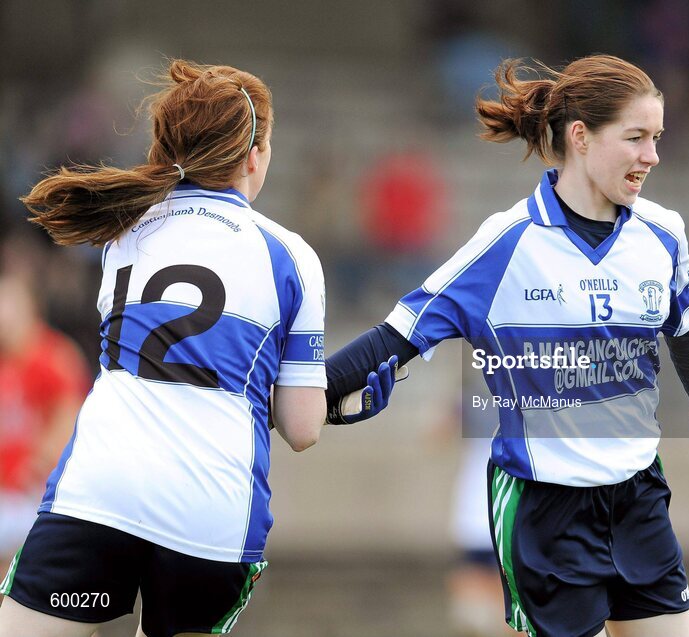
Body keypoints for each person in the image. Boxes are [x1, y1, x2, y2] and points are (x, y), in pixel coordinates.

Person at [324, 55, 689, 637]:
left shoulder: (663, 233)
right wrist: (304, 391)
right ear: (580, 137)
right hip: (543, 510)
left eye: (656, 138)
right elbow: (397, 336)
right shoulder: (506, 244)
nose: (651, 156)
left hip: (638, 497)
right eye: (635, 138)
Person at [0, 60, 396, 637]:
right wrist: (331, 400)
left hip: (100, 495)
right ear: (254, 155)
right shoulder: (290, 256)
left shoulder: (123, 229)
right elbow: (300, 426)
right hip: (210, 518)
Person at [0, 269, 89, 564]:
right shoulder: (6, 359)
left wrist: (38, 465)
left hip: (33, 494)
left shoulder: (51, 356)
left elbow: (70, 420)